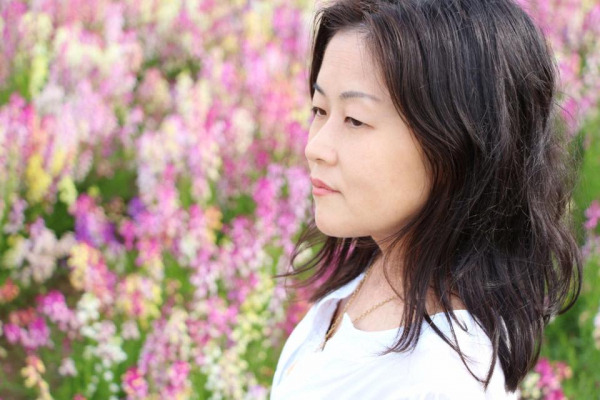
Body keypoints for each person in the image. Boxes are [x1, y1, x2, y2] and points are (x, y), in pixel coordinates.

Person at [270, 0, 583, 398]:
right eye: (319, 109)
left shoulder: (443, 380)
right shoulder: (379, 276)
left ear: (456, 145)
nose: (315, 147)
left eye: (355, 119)